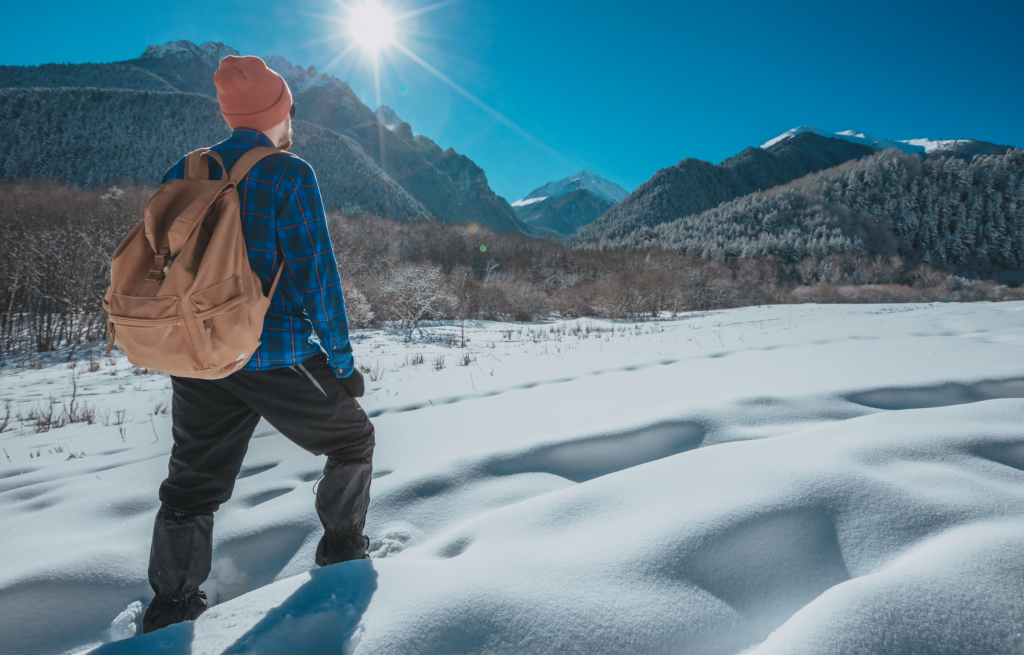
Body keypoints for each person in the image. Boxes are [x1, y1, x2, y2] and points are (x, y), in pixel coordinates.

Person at [142, 55, 374, 634]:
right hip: (277, 355)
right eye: (286, 107)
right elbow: (319, 280)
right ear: (277, 112)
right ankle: (342, 553)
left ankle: (171, 606)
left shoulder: (186, 168)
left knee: (191, 484)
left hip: (199, 356)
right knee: (353, 440)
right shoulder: (290, 173)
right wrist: (343, 365)